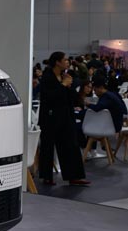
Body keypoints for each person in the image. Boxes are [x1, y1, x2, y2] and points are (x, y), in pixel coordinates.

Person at [37, 51, 90, 186]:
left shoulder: (64, 76)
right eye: (65, 60)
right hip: (50, 117)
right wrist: (63, 85)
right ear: (57, 62)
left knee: (71, 145)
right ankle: (47, 176)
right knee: (48, 147)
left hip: (65, 116)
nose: (68, 62)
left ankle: (74, 176)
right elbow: (50, 97)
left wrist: (69, 85)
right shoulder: (47, 77)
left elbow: (71, 98)